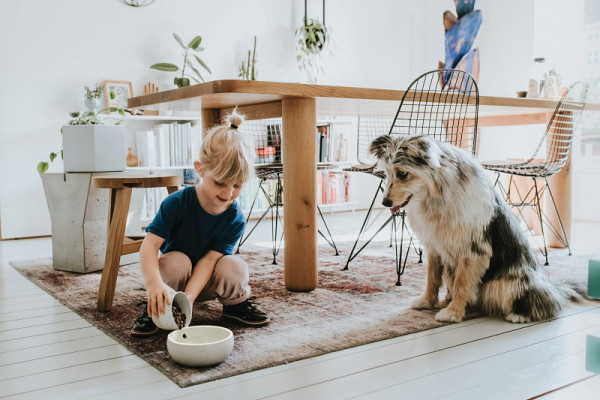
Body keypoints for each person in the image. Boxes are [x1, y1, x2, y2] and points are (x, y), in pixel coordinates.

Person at [131, 109, 269, 336]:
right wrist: (153, 284)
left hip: (208, 282)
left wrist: (188, 301)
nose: (228, 193)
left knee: (235, 266)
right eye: (220, 183)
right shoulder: (176, 203)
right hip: (173, 280)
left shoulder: (235, 219)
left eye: (237, 185)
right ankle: (156, 305)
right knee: (177, 261)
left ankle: (235, 305)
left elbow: (208, 261)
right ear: (200, 169)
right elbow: (149, 246)